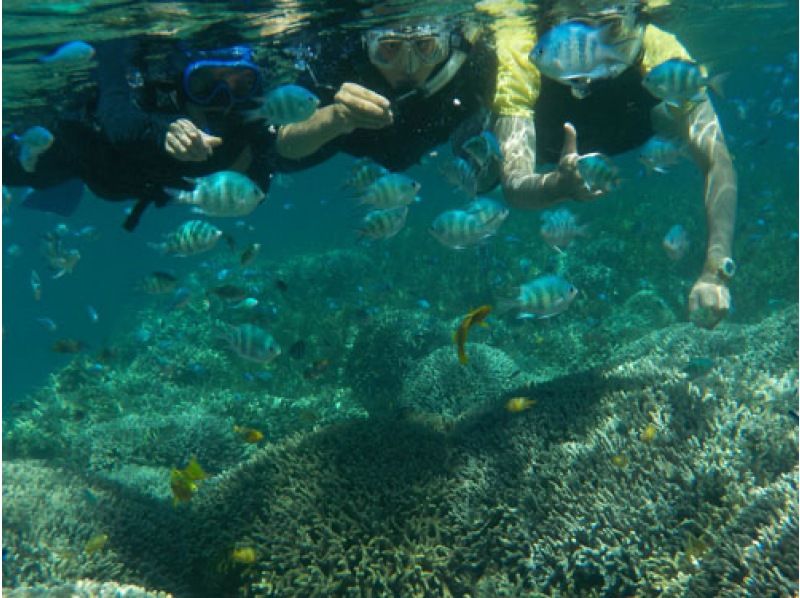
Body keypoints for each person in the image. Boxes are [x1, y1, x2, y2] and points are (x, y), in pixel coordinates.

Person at [485, 0, 737, 329]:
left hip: (634, 125)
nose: (597, 39)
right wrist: (557, 186)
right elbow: (515, 186)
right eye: (578, 22)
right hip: (549, 144)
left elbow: (718, 161)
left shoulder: (658, 49)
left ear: (637, 16)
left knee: (670, 114)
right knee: (482, 167)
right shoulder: (524, 50)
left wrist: (715, 270)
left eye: (612, 26)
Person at [3, 33, 279, 231]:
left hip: (126, 183)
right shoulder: (151, 88)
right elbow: (118, 119)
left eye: (241, 84)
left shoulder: (252, 116)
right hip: (69, 152)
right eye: (204, 84)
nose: (224, 98)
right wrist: (164, 132)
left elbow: (267, 158)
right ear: (181, 82)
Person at [275, 17, 499, 191]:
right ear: (367, 45)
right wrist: (335, 118)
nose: (409, 67)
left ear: (447, 44)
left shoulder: (471, 66)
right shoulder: (339, 61)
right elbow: (282, 149)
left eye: (425, 46)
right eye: (390, 48)